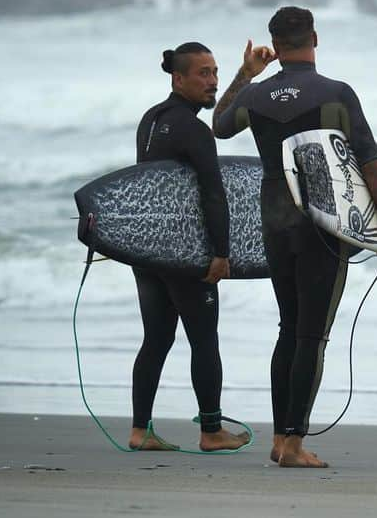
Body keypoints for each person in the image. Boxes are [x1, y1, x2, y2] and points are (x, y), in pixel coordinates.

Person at [214, 6, 377, 468]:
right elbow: (370, 162)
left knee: (288, 329)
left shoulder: (256, 96)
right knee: (312, 336)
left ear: (274, 46)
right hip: (323, 226)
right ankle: (293, 445)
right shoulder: (335, 94)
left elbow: (219, 125)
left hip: (275, 221)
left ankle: (281, 439)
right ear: (315, 38)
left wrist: (245, 73)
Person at [130, 42, 249, 452]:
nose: (212, 80)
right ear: (178, 79)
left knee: (157, 338)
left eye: (215, 72)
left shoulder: (150, 120)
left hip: (147, 250)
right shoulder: (193, 129)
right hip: (184, 254)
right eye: (203, 73)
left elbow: (150, 189)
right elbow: (212, 193)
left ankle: (140, 429)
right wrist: (221, 252)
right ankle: (212, 431)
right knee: (204, 338)